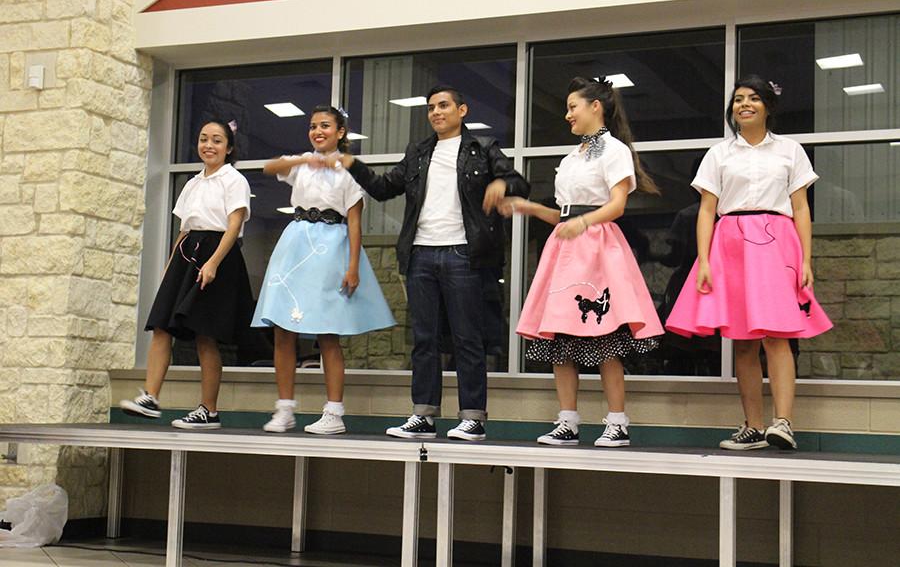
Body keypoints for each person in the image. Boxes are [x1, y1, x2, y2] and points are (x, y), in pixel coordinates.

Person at [323, 85, 530, 441]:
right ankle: (424, 414)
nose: (436, 112)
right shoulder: (418, 152)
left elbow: (518, 183)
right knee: (424, 339)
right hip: (421, 252)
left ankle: (473, 418)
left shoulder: (482, 148)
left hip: (464, 252)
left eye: (444, 105)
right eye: (431, 107)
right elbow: (385, 187)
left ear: (462, 110)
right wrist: (352, 163)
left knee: (468, 338)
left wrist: (500, 183)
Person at [666, 75, 833, 450]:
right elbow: (707, 211)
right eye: (738, 99)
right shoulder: (719, 154)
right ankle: (754, 426)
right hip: (732, 244)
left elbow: (802, 207)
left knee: (778, 336)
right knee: (742, 342)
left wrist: (806, 259)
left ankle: (784, 423)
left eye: (753, 98)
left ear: (767, 107)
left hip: (778, 243)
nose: (744, 104)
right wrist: (704, 260)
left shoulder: (790, 150)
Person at [501, 76, 663, 447]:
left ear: (596, 107)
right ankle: (568, 421)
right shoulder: (571, 157)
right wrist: (528, 207)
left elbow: (618, 205)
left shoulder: (614, 150)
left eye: (573, 106)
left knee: (606, 336)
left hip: (599, 247)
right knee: (559, 336)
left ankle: (617, 422)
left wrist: (584, 223)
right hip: (567, 248)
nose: (567, 114)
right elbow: (563, 214)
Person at [252, 106, 395, 434]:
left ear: (340, 132)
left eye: (326, 126)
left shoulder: (349, 170)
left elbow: (355, 221)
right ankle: (284, 408)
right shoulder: (301, 162)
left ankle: (334, 413)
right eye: (313, 126)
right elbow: (268, 166)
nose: (318, 131)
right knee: (282, 329)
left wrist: (353, 265)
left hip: (331, 245)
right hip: (296, 242)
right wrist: (304, 160)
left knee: (327, 332)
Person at [120, 119, 253, 429]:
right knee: (161, 326)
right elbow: (184, 230)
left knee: (205, 335)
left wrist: (214, 263)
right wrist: (169, 268)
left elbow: (233, 226)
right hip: (187, 255)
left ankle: (209, 410)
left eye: (217, 140)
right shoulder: (192, 183)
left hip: (217, 252)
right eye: (204, 138)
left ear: (229, 148)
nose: (209, 145)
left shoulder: (234, 180)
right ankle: (150, 397)